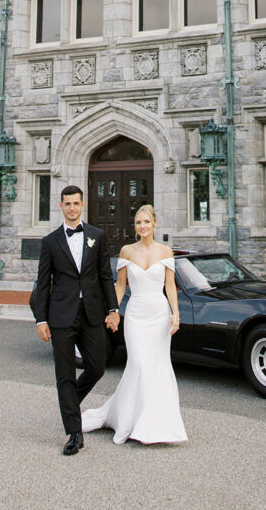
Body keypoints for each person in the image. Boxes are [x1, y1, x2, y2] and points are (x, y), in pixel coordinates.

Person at [81, 204, 188, 445]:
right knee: (138, 365)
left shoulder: (166, 252)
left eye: (147, 222)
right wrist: (113, 311)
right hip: (137, 316)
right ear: (135, 226)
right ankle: (126, 420)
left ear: (155, 224)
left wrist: (175, 314)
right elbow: (120, 285)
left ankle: (152, 425)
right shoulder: (127, 251)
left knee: (157, 368)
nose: (142, 226)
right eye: (138, 222)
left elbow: (170, 286)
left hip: (159, 315)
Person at [34, 184, 120, 455]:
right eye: (67, 203)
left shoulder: (97, 235)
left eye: (76, 203)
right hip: (61, 316)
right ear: (60, 206)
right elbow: (43, 283)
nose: (72, 208)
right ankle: (74, 432)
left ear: (83, 205)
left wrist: (113, 309)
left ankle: (70, 402)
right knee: (65, 374)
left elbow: (105, 275)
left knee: (97, 366)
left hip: (92, 313)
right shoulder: (50, 242)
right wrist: (41, 320)